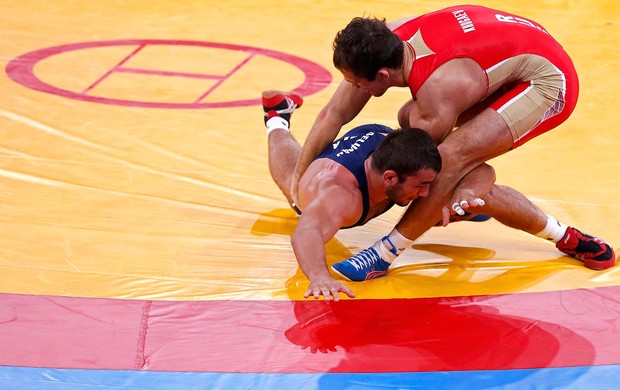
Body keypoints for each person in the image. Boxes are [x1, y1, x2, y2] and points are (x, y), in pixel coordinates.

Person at [289, 4, 616, 281]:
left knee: (443, 163)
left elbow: (437, 169)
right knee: (422, 137)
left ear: (383, 76)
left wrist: (459, 184)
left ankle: (385, 252)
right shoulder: (385, 40)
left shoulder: (438, 93)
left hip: (547, 81)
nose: (350, 85)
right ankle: (566, 236)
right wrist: (298, 180)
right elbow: (334, 112)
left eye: (353, 81)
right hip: (509, 51)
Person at [262, 90, 496, 300]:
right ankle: (276, 116)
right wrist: (319, 277)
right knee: (296, 191)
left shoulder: (418, 163)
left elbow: (484, 170)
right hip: (332, 177)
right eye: (422, 186)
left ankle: (448, 204)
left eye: (427, 185)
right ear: (390, 178)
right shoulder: (337, 196)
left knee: (445, 181)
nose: (425, 193)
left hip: (383, 143)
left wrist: (463, 193)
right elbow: (304, 234)